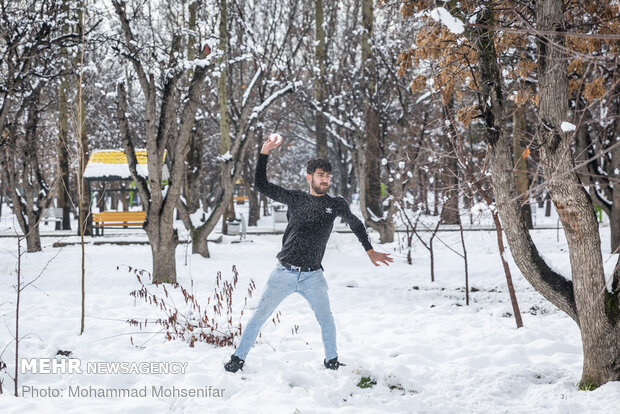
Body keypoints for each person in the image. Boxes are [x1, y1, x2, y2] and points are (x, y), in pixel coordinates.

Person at [224, 135, 393, 373]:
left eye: (327, 176)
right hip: (284, 272)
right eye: (320, 175)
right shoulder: (296, 198)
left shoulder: (336, 204)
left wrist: (369, 250)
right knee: (259, 316)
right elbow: (262, 185)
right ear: (309, 177)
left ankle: (331, 361)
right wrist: (264, 153)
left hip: (313, 277)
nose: (325, 180)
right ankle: (237, 359)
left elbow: (355, 223)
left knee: (326, 319)